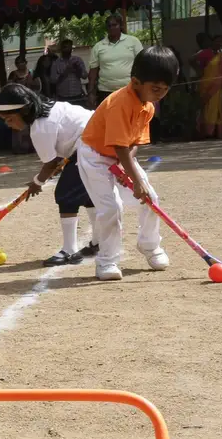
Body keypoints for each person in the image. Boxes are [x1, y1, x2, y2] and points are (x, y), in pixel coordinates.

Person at [76, 46, 178, 281]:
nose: (160, 94)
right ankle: (107, 261)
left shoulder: (148, 106)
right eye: (155, 88)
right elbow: (119, 146)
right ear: (135, 81)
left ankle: (149, 245)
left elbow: (133, 144)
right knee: (111, 208)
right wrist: (134, 178)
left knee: (150, 198)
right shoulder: (121, 102)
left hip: (120, 156)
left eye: (165, 90)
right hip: (94, 156)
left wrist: (126, 169)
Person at [0, 84, 98, 266]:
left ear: (24, 110)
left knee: (65, 195)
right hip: (94, 141)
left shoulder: (40, 127)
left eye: (10, 119)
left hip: (90, 146)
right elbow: (56, 159)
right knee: (87, 194)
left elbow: (50, 164)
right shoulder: (50, 108)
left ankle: (69, 250)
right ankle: (99, 242)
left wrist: (37, 182)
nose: (8, 125)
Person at [89, 15, 144, 108]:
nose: (112, 28)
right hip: (106, 92)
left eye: (115, 25)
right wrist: (91, 93)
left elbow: (143, 64)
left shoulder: (133, 41)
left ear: (121, 26)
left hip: (130, 89)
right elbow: (93, 73)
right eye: (109, 26)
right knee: (110, 120)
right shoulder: (98, 46)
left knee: (129, 119)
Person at [194, 33, 222, 138]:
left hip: (218, 85)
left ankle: (217, 134)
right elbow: (191, 60)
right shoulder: (206, 52)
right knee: (207, 109)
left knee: (217, 109)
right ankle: (206, 133)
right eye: (217, 41)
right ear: (212, 42)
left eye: (221, 42)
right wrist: (199, 71)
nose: (219, 43)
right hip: (206, 84)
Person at [50, 39, 88, 104]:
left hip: (77, 96)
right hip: (63, 97)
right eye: (65, 47)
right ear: (61, 48)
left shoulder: (77, 60)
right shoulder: (56, 63)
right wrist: (65, 72)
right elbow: (53, 81)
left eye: (69, 47)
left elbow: (84, 76)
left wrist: (78, 69)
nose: (67, 49)